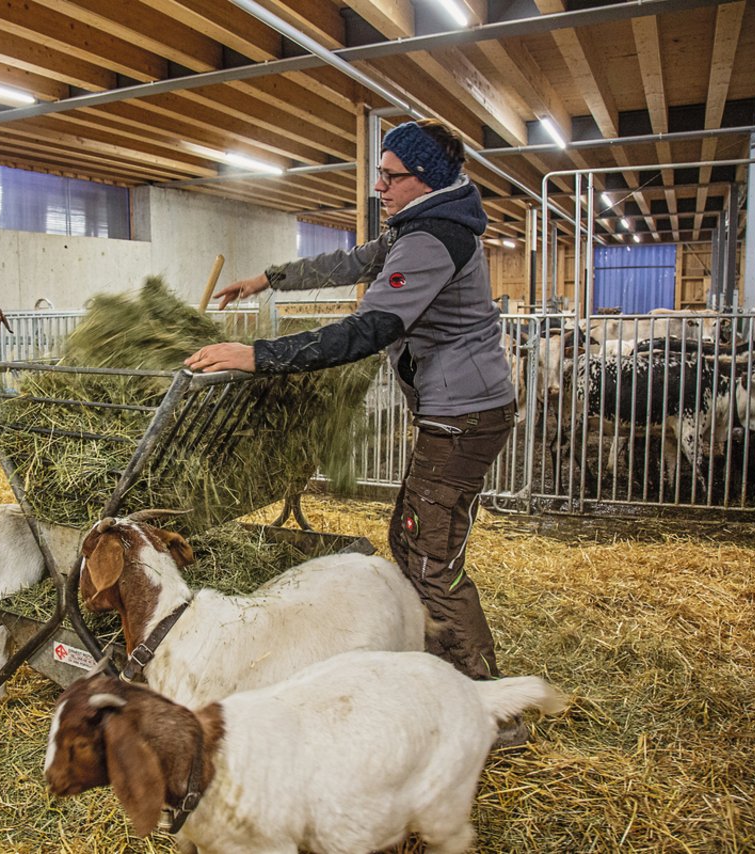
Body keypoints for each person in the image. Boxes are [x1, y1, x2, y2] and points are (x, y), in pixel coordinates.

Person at [184, 119, 526, 745]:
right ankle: (442, 679)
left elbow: (368, 330)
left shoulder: (433, 238)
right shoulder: (418, 225)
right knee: (418, 542)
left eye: (390, 176)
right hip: (461, 408)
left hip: (463, 415)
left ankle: (488, 710)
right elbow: (351, 261)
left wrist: (256, 355)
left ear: (425, 179)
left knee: (427, 556)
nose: (378, 186)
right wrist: (270, 278)